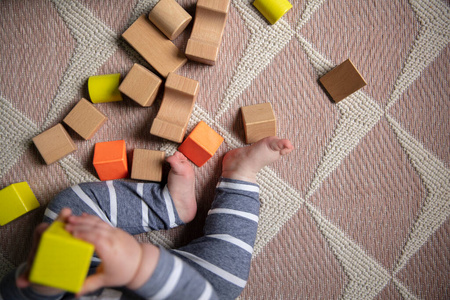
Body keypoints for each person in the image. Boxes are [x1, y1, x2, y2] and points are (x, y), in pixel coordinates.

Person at [0, 136, 294, 300]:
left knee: (70, 206)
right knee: (227, 276)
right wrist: (140, 268)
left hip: (78, 277)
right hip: (182, 290)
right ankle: (239, 174)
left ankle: (168, 206)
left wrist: (42, 285)